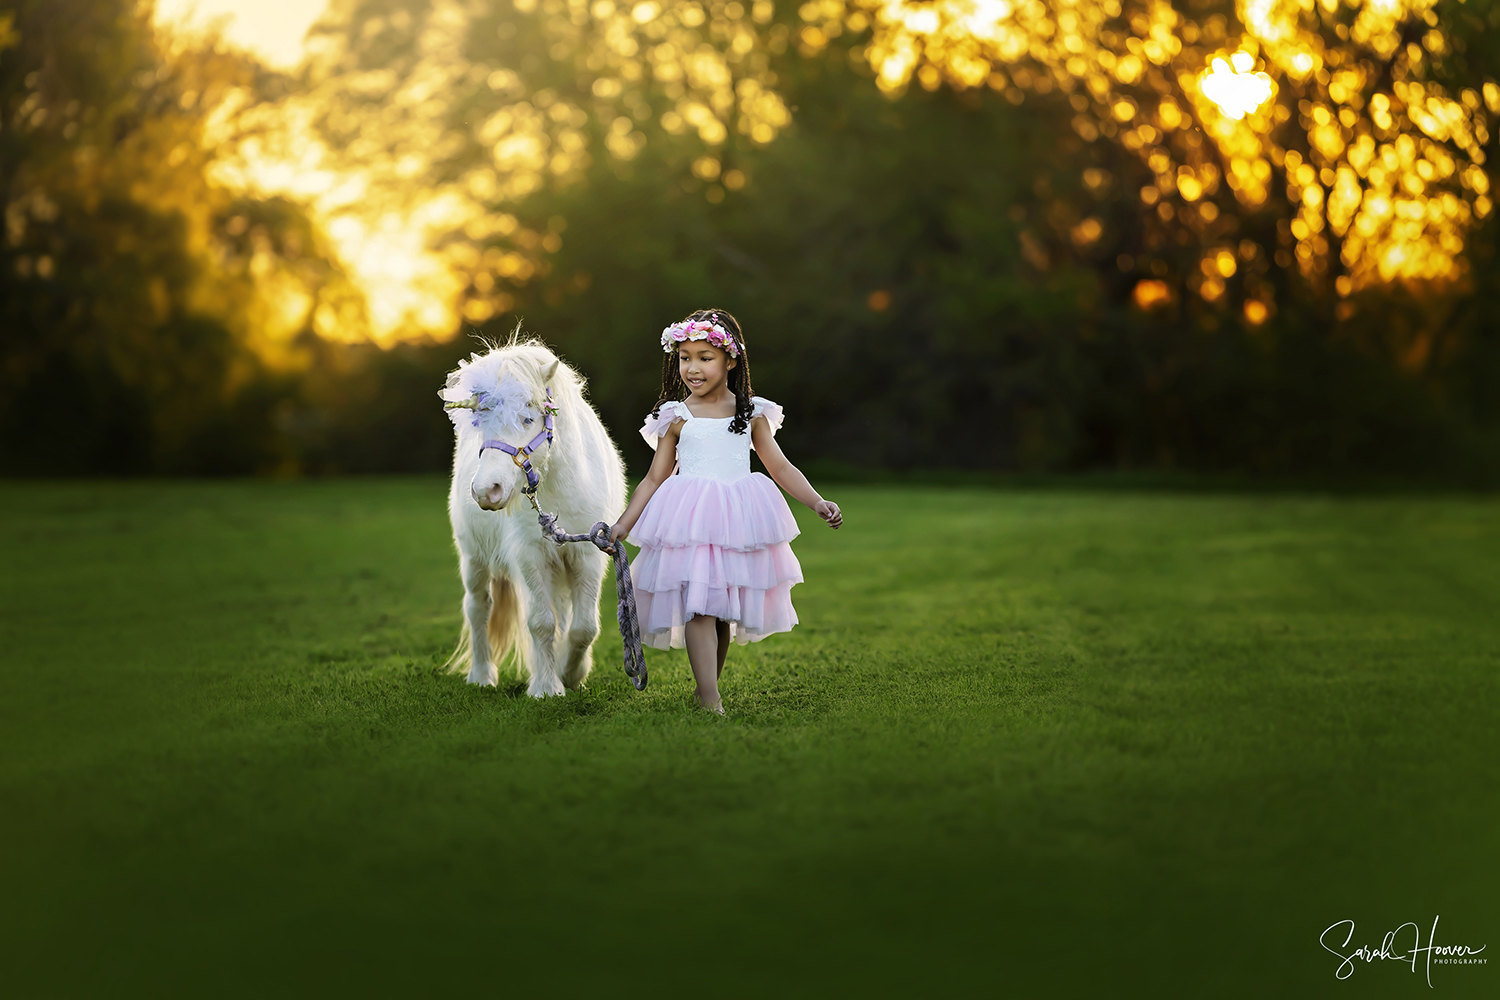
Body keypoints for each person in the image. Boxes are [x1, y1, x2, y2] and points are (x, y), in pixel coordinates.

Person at [609, 309, 842, 715]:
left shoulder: (751, 414)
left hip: (736, 518)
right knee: (700, 606)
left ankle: (706, 690)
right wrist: (623, 524)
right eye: (684, 357)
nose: (692, 368)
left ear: (731, 361)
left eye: (704, 357)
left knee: (721, 613)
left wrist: (816, 501)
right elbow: (653, 478)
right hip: (690, 520)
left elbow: (780, 467)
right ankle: (710, 698)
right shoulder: (676, 416)